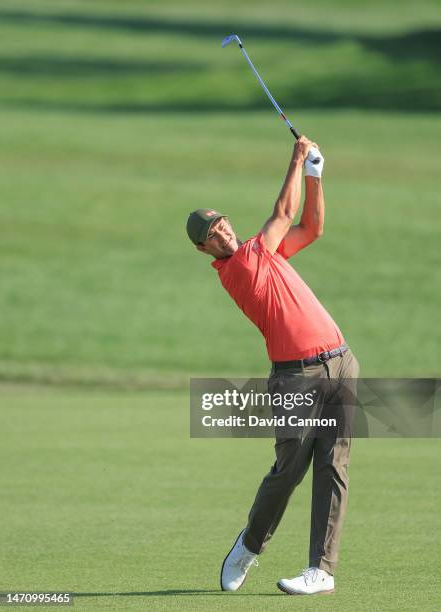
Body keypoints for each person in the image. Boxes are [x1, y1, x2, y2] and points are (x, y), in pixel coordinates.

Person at [186, 136, 359, 596]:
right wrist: (299, 158)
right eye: (212, 236)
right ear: (206, 251)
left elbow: (311, 227)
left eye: (221, 225)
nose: (222, 233)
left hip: (340, 362)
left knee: (333, 467)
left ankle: (321, 570)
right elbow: (284, 215)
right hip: (295, 376)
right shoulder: (240, 266)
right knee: (289, 471)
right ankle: (248, 545)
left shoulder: (266, 254)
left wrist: (316, 176)